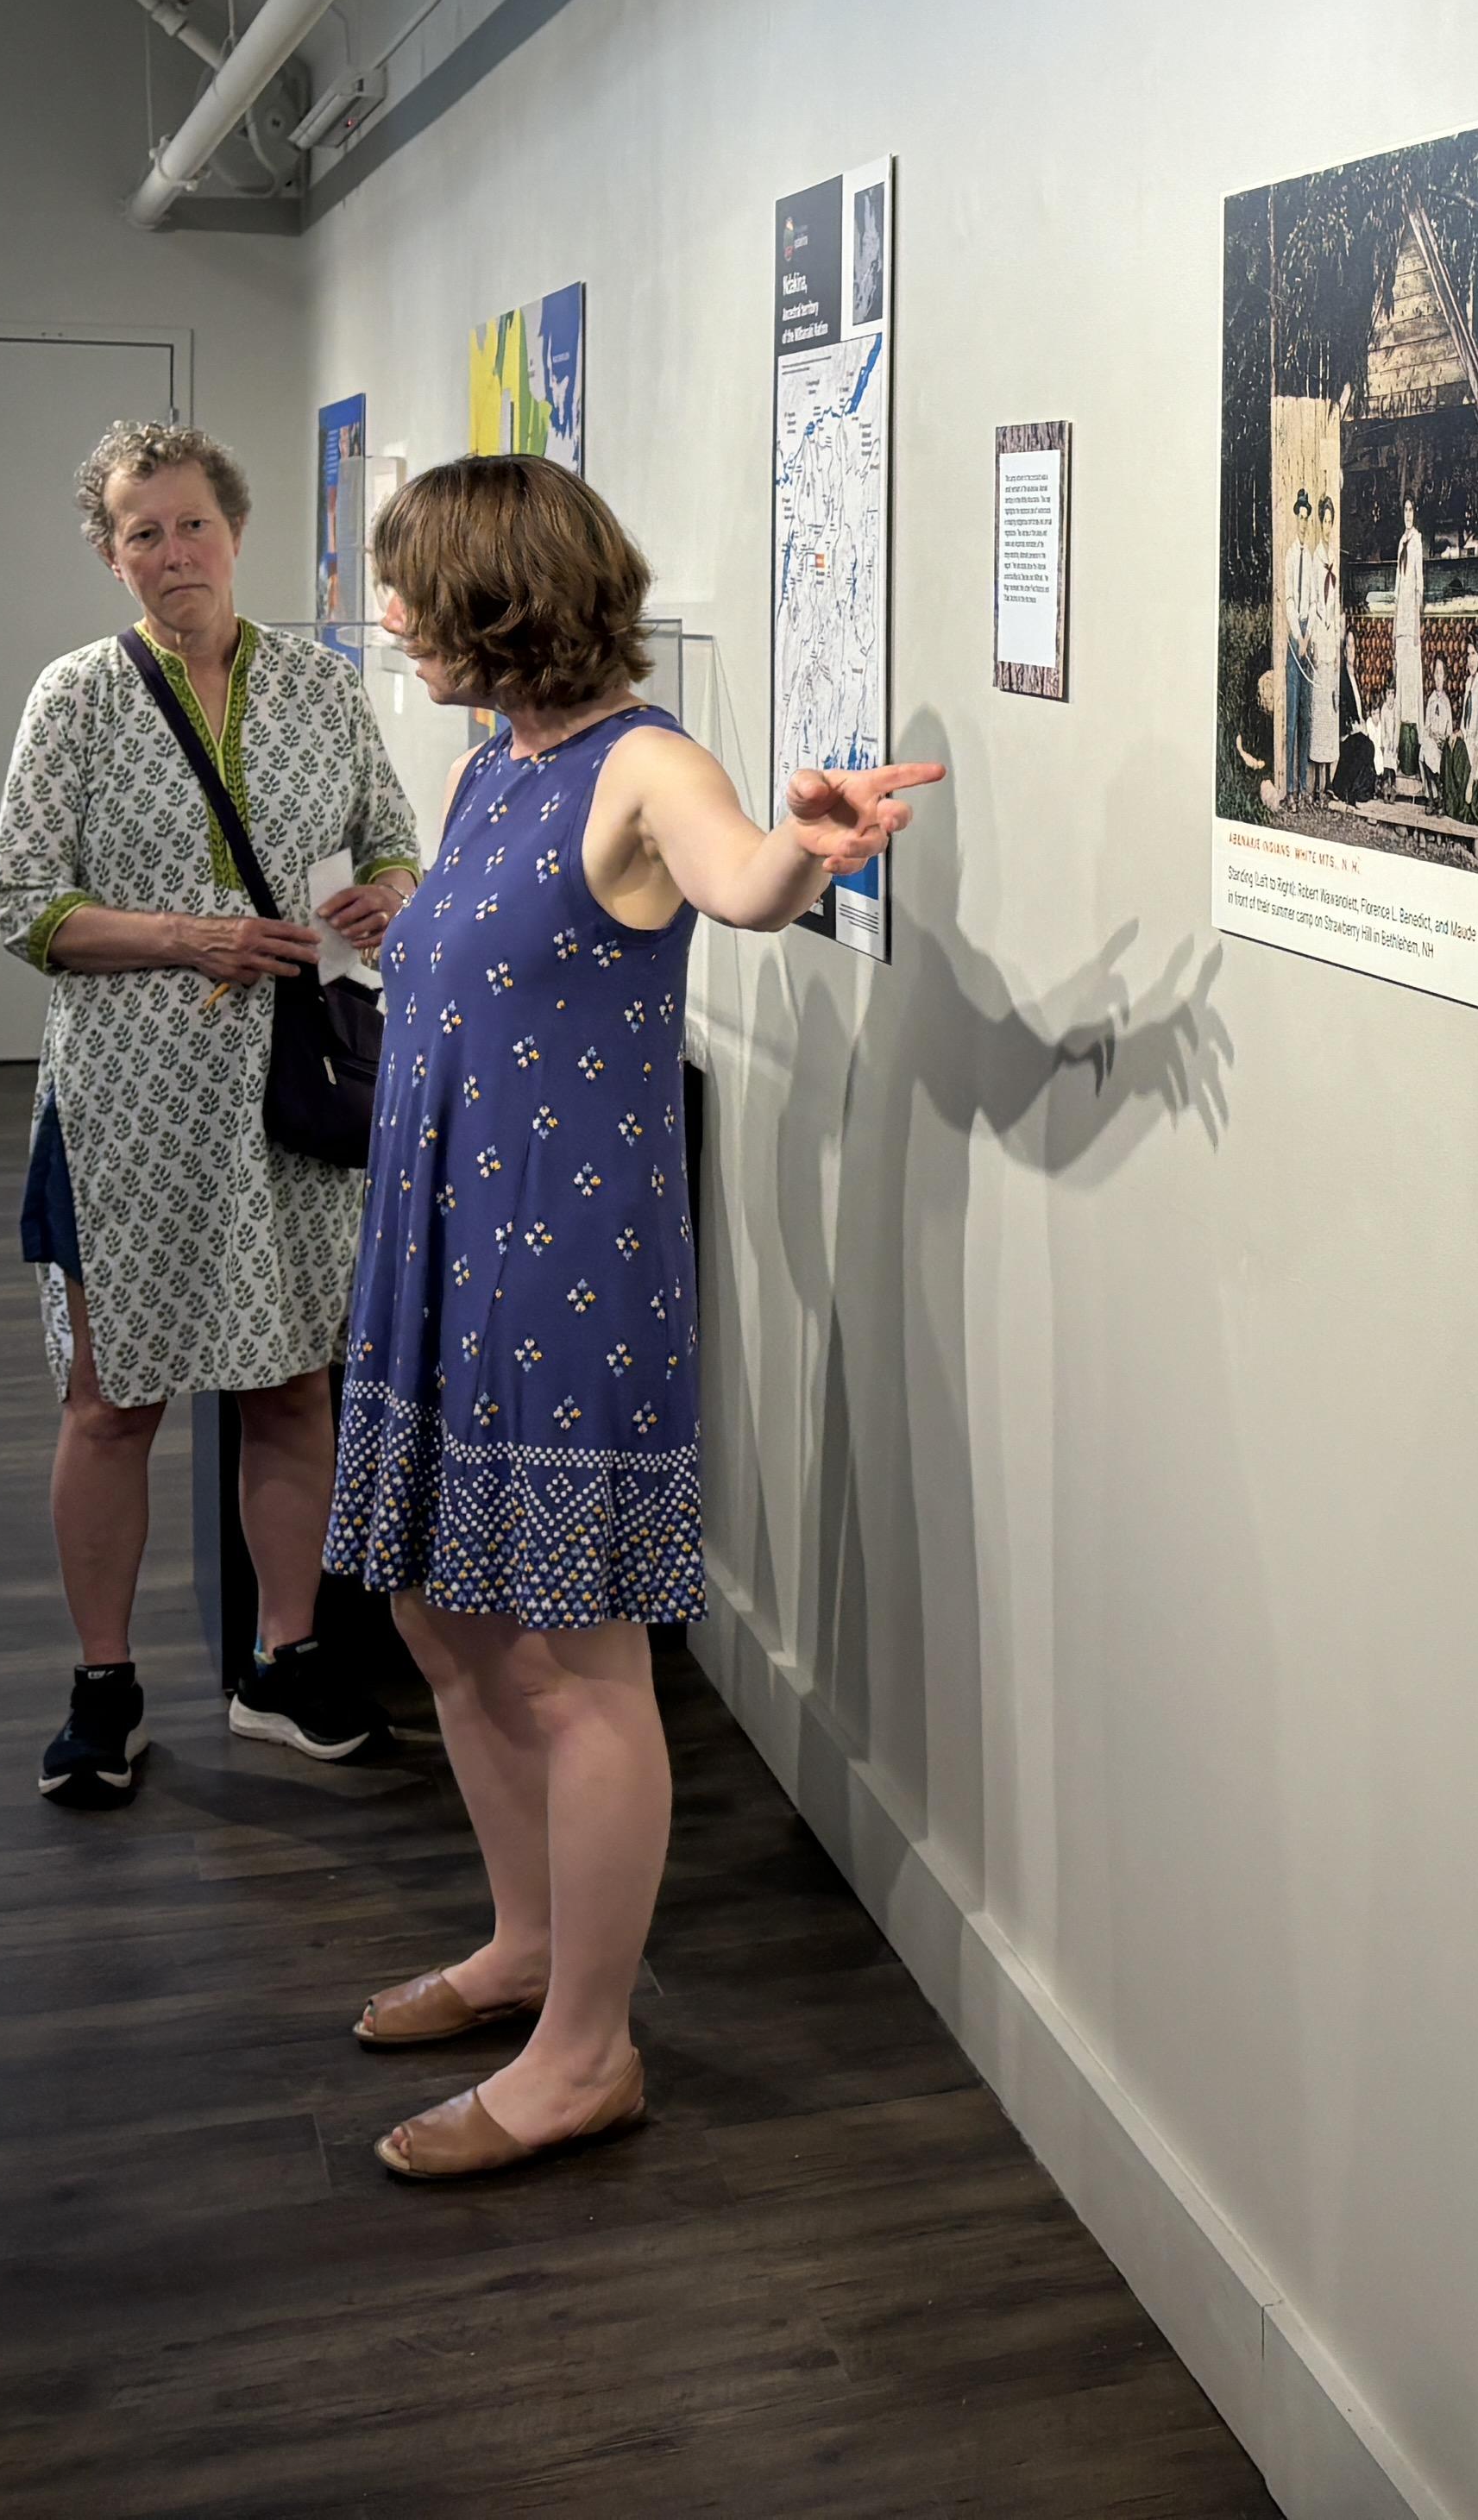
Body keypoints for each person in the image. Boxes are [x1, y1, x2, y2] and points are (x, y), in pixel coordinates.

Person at [334, 455, 934, 2181]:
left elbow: (739, 886)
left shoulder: (647, 764)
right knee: (446, 1623)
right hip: (446, 1251)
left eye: (412, 587)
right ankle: (526, 1952)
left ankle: (586, 2051)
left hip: (563, 1278)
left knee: (579, 1665)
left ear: (499, 593)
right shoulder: (483, 773)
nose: (391, 617)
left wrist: (808, 851)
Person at [0, 417, 418, 1805]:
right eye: (141, 533)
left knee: (292, 1386)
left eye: (191, 524)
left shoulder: (320, 689)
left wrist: (385, 893)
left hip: (287, 1096)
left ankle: (281, 1662)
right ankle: (103, 1685)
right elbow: (26, 909)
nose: (173, 553)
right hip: (123, 1105)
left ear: (236, 531)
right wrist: (198, 937)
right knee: (114, 1402)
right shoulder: (78, 699)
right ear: (111, 559)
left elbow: (394, 835)